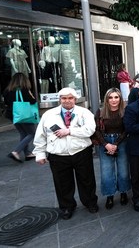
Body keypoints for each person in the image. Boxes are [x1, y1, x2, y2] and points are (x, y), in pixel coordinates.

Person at [32, 87, 98, 220]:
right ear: (60, 99)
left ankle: (90, 202)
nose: (67, 101)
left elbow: (90, 130)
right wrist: (39, 153)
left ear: (75, 99)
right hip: (58, 155)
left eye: (70, 98)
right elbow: (41, 135)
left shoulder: (84, 112)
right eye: (64, 98)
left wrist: (70, 131)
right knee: (62, 183)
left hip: (81, 152)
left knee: (87, 180)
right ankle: (67, 207)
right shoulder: (48, 115)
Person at [92, 88, 131, 210]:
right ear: (106, 99)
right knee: (107, 172)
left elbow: (127, 129)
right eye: (110, 97)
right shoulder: (100, 111)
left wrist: (117, 143)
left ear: (120, 99)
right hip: (105, 141)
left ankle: (123, 192)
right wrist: (106, 144)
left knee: (123, 170)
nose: (113, 100)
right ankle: (109, 196)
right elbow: (96, 130)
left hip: (122, 141)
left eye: (116, 97)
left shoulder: (125, 111)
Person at [3, 72, 37, 162]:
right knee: (32, 133)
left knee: (23, 133)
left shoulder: (7, 90)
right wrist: (31, 94)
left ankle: (28, 154)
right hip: (24, 115)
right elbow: (33, 101)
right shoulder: (24, 90)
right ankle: (16, 151)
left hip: (12, 115)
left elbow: (6, 102)